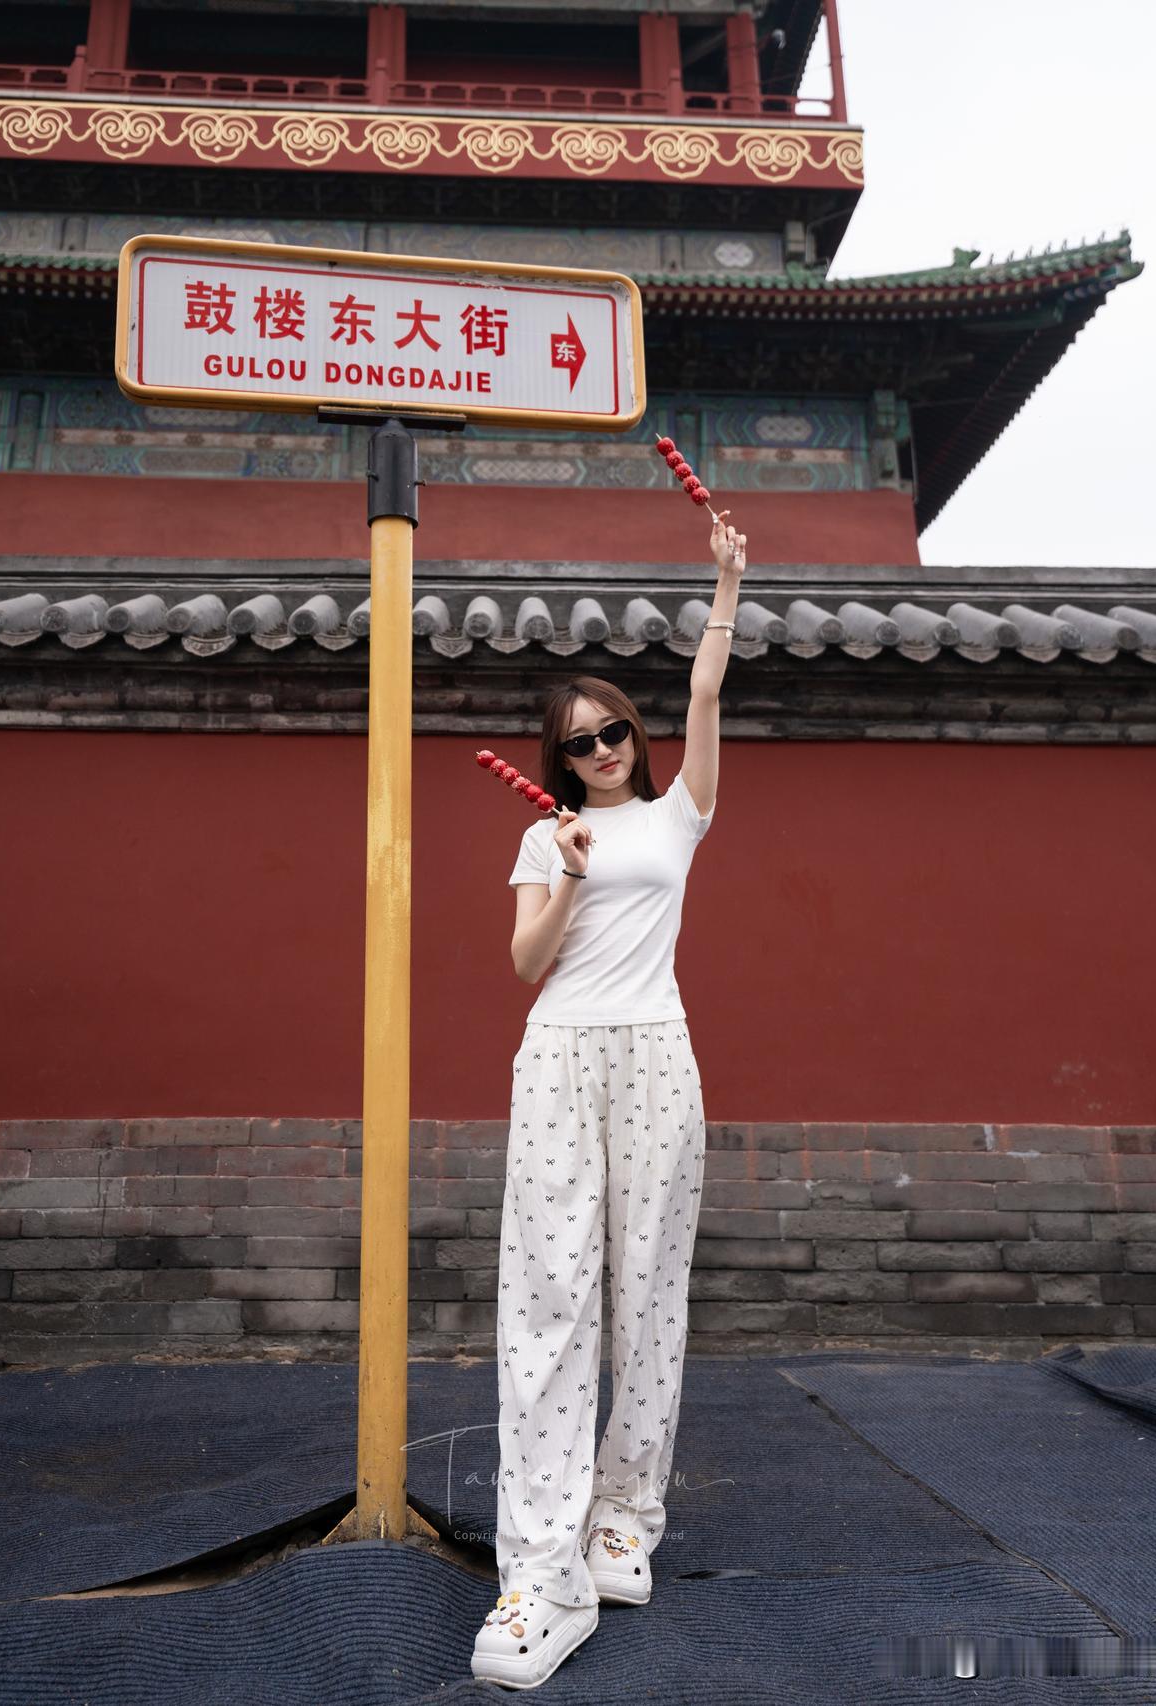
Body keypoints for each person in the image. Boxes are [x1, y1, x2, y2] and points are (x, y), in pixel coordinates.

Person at [471, 514, 748, 1689]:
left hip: (656, 1059)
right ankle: (539, 1566)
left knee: (647, 1289)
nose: (598, 750)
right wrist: (570, 874)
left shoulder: (679, 812)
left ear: (636, 733)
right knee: (548, 1299)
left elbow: (706, 688)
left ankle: (625, 1511)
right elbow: (524, 963)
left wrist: (724, 582)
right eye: (576, 742)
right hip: (558, 1057)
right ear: (558, 758)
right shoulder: (549, 836)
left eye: (612, 730)